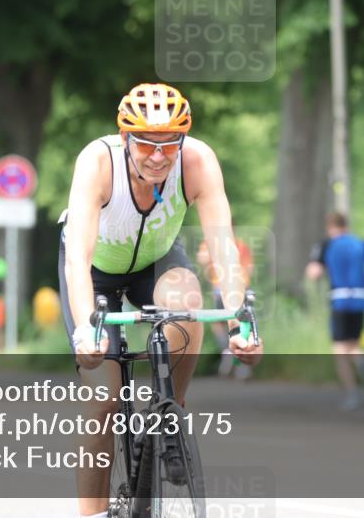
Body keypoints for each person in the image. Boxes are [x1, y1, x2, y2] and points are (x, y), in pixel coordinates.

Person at [58, 82, 263, 518]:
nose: (158, 155)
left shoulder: (198, 161)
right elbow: (77, 257)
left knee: (187, 299)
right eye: (147, 144)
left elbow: (223, 248)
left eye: (169, 144)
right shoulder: (98, 161)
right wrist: (85, 331)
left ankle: (170, 406)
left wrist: (241, 328)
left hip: (156, 262)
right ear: (125, 138)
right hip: (94, 271)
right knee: (103, 401)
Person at [306, 211, 364, 410]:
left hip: (339, 298)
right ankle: (361, 360)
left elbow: (314, 272)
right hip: (360, 297)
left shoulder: (326, 244)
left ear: (329, 227)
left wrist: (316, 273)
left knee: (340, 349)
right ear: (346, 225)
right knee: (354, 343)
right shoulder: (360, 243)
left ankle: (352, 394)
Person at [196, 234, 255, 378]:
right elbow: (250, 268)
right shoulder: (239, 244)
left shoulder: (214, 243)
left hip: (226, 288)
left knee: (228, 323)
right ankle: (234, 356)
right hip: (233, 287)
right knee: (234, 323)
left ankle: (237, 358)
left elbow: (202, 259)